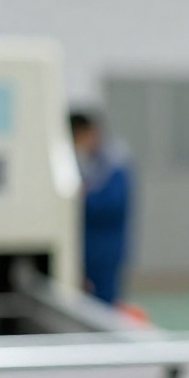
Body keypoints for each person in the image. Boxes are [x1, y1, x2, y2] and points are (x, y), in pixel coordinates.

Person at [70, 111, 133, 305]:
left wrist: (82, 199)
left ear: (90, 133)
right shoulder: (90, 163)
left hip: (106, 248)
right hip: (89, 246)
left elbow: (112, 205)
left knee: (104, 302)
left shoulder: (114, 164)